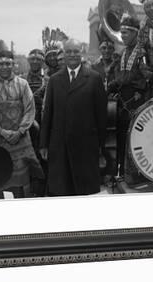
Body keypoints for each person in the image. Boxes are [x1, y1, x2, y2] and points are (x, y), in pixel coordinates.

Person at [40, 39, 108, 196]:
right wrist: (44, 143)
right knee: (62, 190)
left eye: (75, 51)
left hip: (86, 145)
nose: (72, 55)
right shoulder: (55, 80)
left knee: (84, 192)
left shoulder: (94, 78)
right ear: (63, 54)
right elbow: (48, 113)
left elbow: (101, 116)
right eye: (68, 51)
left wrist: (101, 147)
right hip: (59, 144)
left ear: (81, 53)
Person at [0, 50, 44, 198]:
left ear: (13, 65)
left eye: (8, 63)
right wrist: (3, 133)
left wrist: (20, 131)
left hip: (20, 140)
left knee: (22, 181)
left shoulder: (23, 85)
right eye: (1, 64)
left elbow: (29, 110)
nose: (5, 67)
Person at [107, 14, 153, 184]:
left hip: (137, 100)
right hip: (123, 100)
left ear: (135, 33)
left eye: (126, 32)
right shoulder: (124, 52)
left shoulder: (142, 51)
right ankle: (122, 171)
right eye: (122, 32)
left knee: (136, 136)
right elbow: (120, 75)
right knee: (121, 135)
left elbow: (147, 76)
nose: (123, 35)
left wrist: (124, 82)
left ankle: (137, 174)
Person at [22, 48, 50, 196]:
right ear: (28, 60)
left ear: (42, 61)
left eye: (38, 59)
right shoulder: (21, 80)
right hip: (25, 126)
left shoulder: (48, 80)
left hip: (43, 125)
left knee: (42, 157)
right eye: (32, 59)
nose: (35, 62)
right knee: (27, 157)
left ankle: (41, 191)